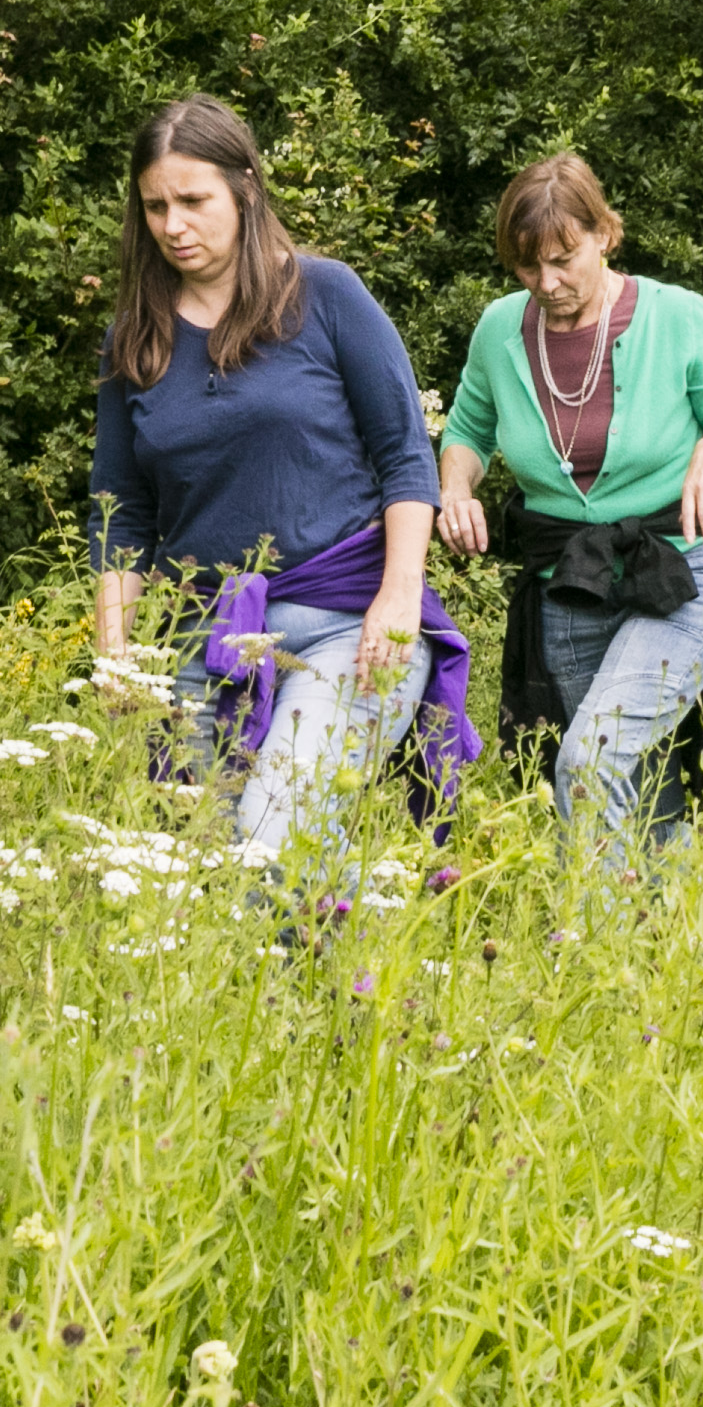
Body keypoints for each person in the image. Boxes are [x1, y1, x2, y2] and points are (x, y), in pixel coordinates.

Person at [84, 97, 460, 866]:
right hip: (201, 639)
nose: (173, 225)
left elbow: (405, 458)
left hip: (345, 626)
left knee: (268, 843)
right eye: (155, 206)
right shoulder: (135, 337)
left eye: (194, 201)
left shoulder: (326, 296)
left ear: (245, 189)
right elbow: (121, 516)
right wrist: (116, 653)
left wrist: (397, 597)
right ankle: (306, 981)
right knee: (188, 871)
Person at [429, 151, 703, 848]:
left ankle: (587, 943)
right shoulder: (501, 330)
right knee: (639, 777)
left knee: (590, 759)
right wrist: (454, 485)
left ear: (604, 235)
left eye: (563, 259)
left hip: (685, 571)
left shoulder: (678, 316)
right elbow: (467, 430)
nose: (547, 283)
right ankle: (665, 941)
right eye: (528, 267)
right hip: (572, 583)